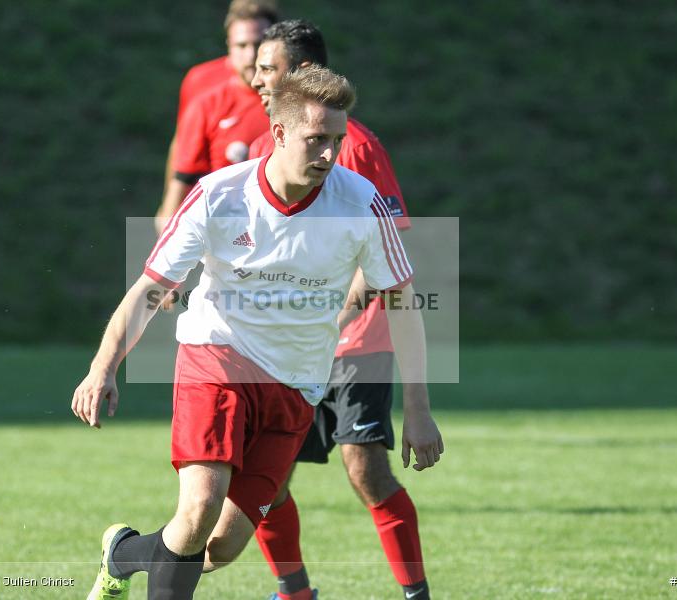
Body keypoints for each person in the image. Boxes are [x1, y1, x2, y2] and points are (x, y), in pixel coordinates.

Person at [73, 65, 443, 600]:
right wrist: (102, 367)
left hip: (296, 384)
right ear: (278, 134)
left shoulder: (360, 202)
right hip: (215, 358)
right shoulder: (219, 194)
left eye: (337, 140)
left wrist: (419, 407)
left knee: (219, 547)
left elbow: (402, 303)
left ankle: (123, 553)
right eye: (317, 140)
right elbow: (150, 288)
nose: (329, 155)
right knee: (199, 507)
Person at [247, 20, 432, 600]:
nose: (254, 79)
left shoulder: (356, 146)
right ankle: (294, 592)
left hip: (356, 345)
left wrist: (330, 315)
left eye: (267, 68)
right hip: (287, 349)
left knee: (367, 472)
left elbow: (387, 249)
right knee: (266, 481)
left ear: (300, 74)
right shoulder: (265, 145)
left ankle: (416, 594)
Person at [155, 1, 278, 234]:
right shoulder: (203, 84)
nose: (251, 55)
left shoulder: (295, 94)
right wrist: (168, 210)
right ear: (230, 43)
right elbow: (183, 148)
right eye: (242, 45)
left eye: (259, 43)